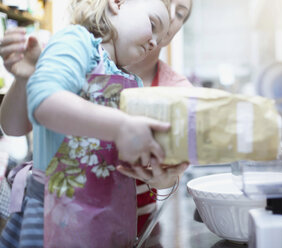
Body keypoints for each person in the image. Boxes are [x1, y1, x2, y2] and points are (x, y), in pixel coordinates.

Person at [0, 0, 190, 247]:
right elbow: (40, 105)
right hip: (58, 216)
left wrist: (157, 173)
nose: (155, 42)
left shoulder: (132, 82)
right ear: (117, 4)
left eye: (161, 36)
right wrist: (122, 126)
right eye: (152, 25)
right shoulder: (76, 40)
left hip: (108, 221)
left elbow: (124, 158)